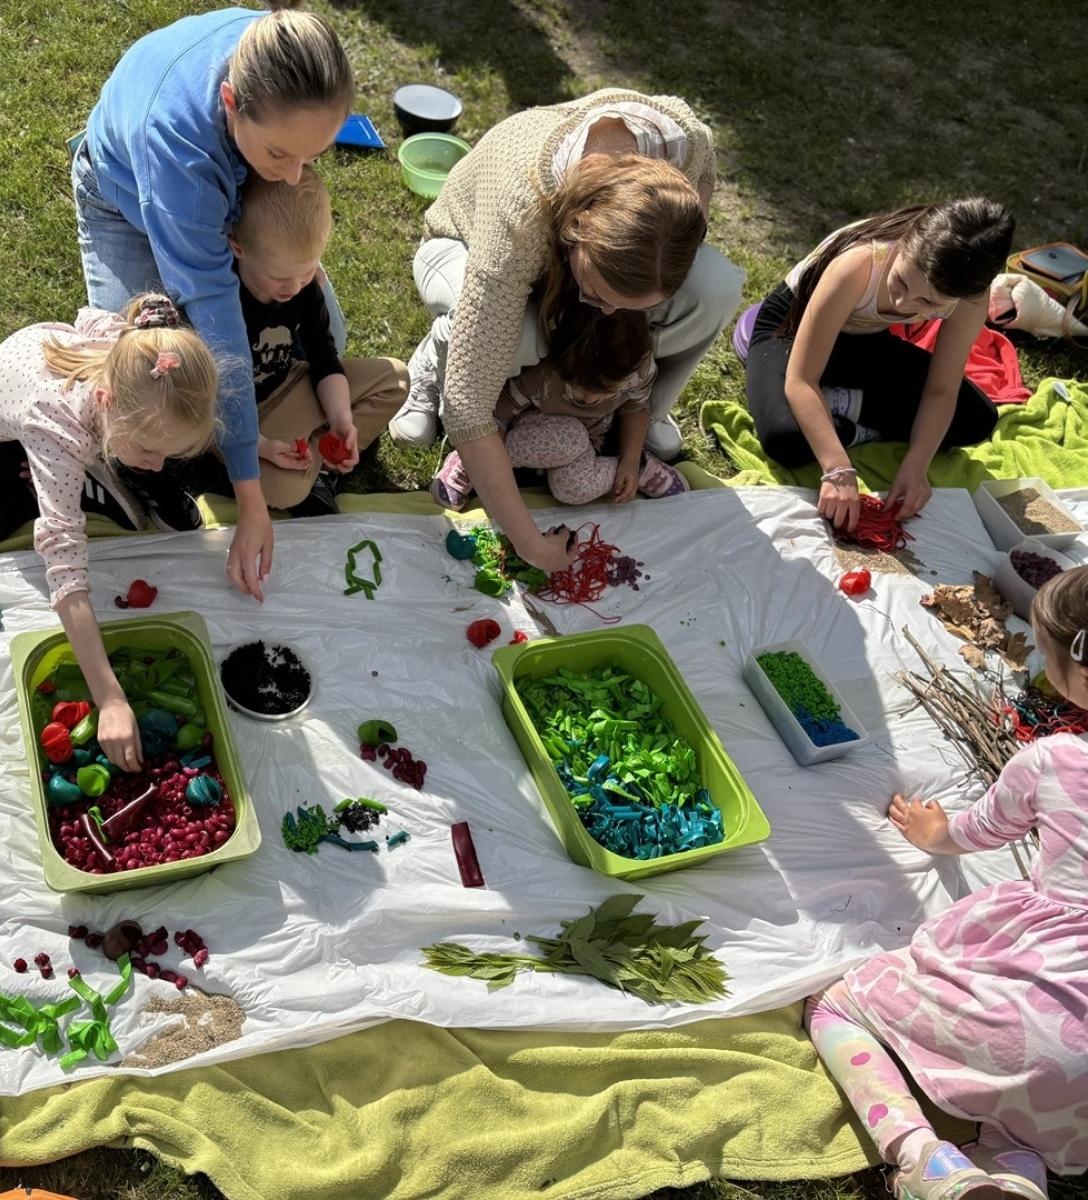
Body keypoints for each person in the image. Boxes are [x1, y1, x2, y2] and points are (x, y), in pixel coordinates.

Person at [806, 564, 1088, 1197]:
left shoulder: (1055, 759)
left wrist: (931, 832)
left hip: (1042, 1028)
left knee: (836, 1004)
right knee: (1034, 1100)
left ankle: (918, 1155)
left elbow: (969, 833)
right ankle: (1018, 1168)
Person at [387, 88, 745, 573]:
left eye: (630, 305)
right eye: (598, 295)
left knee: (716, 287)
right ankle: (439, 355)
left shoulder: (687, 145)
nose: (610, 315)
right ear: (574, 232)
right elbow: (469, 406)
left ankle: (632, 408)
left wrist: (616, 306)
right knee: (523, 336)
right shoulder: (517, 218)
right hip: (462, 247)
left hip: (561, 262)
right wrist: (530, 542)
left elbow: (683, 236)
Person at [77, 0, 353, 600]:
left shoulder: (280, 56)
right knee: (149, 372)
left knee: (325, 322)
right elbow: (218, 316)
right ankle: (145, 468)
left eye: (313, 154)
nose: (291, 176)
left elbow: (278, 192)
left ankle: (225, 435)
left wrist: (283, 254)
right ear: (230, 103)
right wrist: (251, 496)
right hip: (124, 203)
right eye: (280, 154)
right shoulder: (178, 147)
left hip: (217, 200)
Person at [0, 295, 216, 770]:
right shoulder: (58, 427)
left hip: (71, 425)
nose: (158, 461)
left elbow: (91, 317)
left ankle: (92, 477)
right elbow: (65, 567)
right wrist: (109, 697)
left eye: (168, 454)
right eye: (149, 450)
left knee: (132, 467)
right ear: (107, 405)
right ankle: (40, 488)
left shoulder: (140, 354)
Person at [746, 198, 1014, 531]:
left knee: (977, 419)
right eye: (901, 282)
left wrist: (917, 466)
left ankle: (843, 406)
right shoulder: (860, 262)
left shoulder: (971, 296)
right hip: (789, 328)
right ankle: (842, 412)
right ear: (902, 247)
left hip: (865, 342)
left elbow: (942, 389)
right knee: (784, 437)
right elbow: (801, 379)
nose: (905, 305)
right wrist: (837, 468)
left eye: (929, 303)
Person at [229, 168, 408, 516]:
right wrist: (262, 447)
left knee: (396, 378)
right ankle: (308, 463)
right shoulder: (223, 300)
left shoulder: (302, 287)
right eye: (280, 277)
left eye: (308, 272)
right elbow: (212, 406)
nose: (293, 288)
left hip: (290, 384)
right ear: (238, 247)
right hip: (242, 420)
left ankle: (320, 454)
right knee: (285, 490)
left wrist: (341, 419)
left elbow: (324, 357)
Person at [430, 308, 687, 509]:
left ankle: (638, 469)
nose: (587, 400)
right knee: (569, 438)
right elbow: (499, 414)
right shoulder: (544, 377)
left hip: (587, 443)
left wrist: (630, 460)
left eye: (603, 392)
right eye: (579, 387)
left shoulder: (637, 371)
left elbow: (636, 407)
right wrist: (483, 454)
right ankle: (471, 462)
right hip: (530, 434)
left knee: (572, 490)